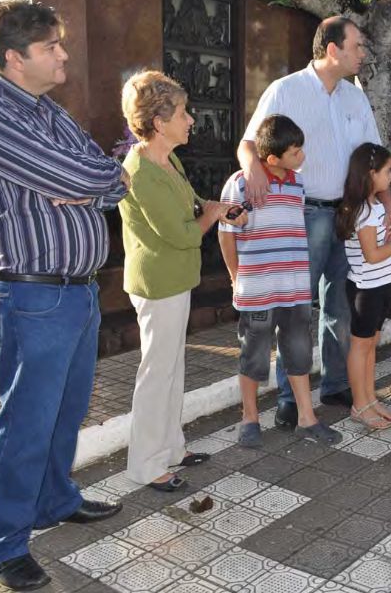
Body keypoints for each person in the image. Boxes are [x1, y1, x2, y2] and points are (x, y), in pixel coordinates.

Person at [0, 0, 128, 590]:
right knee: (24, 425)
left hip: (75, 293)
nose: (63, 54)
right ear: (13, 57)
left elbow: (110, 180)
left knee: (65, 413)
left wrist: (89, 183)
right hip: (29, 298)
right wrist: (87, 181)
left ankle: (56, 499)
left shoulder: (48, 111)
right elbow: (88, 176)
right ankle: (3, 544)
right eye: (51, 46)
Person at [235, 16, 391, 428]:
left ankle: (336, 384)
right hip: (302, 214)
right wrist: (252, 169)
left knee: (341, 305)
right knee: (296, 310)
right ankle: (290, 398)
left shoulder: (355, 98)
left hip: (350, 215)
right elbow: (249, 142)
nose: (363, 54)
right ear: (333, 49)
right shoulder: (286, 90)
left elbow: (373, 157)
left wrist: (387, 208)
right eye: (357, 46)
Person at [118, 71, 247, 492]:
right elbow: (183, 233)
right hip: (157, 284)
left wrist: (219, 208)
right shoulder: (140, 170)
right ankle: (145, 465)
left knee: (172, 368)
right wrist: (209, 216)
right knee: (157, 373)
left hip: (175, 280)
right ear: (158, 121)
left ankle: (171, 449)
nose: (191, 119)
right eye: (183, 112)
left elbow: (194, 205)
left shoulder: (168, 161)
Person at [219, 115, 343, 447]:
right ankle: (249, 418)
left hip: (295, 289)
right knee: (254, 355)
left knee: (299, 352)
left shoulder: (297, 184)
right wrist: (235, 277)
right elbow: (226, 234)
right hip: (257, 290)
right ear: (272, 158)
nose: (301, 156)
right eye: (295, 151)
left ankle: (307, 418)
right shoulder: (241, 184)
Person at [336, 143, 391, 429]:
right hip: (366, 289)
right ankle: (359, 404)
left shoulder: (375, 206)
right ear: (370, 173)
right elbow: (372, 255)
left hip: (381, 285)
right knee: (361, 345)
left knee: (371, 345)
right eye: (388, 171)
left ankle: (369, 397)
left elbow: (386, 237)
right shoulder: (363, 211)